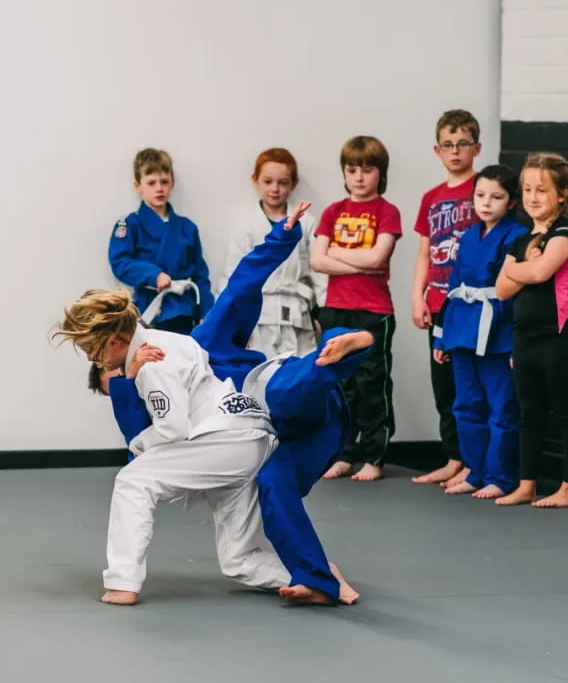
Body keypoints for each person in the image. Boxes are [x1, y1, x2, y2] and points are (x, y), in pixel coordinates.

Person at [100, 202, 370, 604]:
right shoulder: (145, 376)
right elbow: (139, 435)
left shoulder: (198, 345)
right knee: (271, 488)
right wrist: (125, 380)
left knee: (278, 387)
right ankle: (318, 577)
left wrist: (282, 237)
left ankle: (347, 345)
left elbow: (241, 284)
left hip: (299, 394)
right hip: (290, 438)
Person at [56, 290, 285, 605]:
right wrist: (130, 375)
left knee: (133, 480)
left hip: (224, 441)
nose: (90, 358)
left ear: (113, 341)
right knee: (240, 559)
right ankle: (314, 576)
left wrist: (139, 443)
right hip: (247, 437)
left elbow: (172, 428)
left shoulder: (154, 361)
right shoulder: (168, 341)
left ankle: (123, 582)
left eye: (88, 348)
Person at [494, 152, 568, 508]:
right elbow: (500, 288)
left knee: (567, 413)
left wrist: (519, 269)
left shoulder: (565, 234)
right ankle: (527, 482)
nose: (533, 197)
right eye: (528, 189)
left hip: (559, 338)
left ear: (562, 195)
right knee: (529, 412)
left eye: (542, 190)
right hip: (524, 337)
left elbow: (538, 274)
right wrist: (521, 267)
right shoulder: (519, 240)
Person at [432, 165, 527, 498]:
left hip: (497, 330)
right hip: (462, 329)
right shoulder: (469, 236)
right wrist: (442, 336)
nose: (486, 203)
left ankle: (500, 477)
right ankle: (475, 471)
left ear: (512, 201)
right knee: (466, 404)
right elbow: (453, 286)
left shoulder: (516, 236)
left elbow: (515, 292)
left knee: (501, 408)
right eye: (480, 196)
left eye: (496, 197)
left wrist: (516, 343)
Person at [314, 136, 401, 482]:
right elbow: (318, 261)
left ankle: (373, 456)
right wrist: (362, 265)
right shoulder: (333, 212)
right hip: (336, 308)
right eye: (352, 171)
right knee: (340, 386)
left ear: (380, 173)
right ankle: (343, 454)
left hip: (373, 311)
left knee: (372, 385)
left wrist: (340, 255)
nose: (360, 178)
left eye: (367, 171)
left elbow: (379, 257)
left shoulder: (386, 211)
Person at [410, 110, 480, 488]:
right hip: (438, 303)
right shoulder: (431, 198)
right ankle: (454, 457)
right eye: (448, 145)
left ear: (476, 147)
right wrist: (417, 296)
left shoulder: (482, 190)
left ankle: (474, 461)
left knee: (472, 387)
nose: (455, 152)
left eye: (463, 144)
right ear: (437, 150)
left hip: (470, 303)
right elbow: (424, 250)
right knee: (445, 388)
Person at [219, 148, 324, 358]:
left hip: (298, 316)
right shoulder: (246, 225)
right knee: (258, 376)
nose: (275, 189)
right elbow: (233, 274)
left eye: (282, 183)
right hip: (258, 316)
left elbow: (319, 273)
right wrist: (230, 320)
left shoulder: (307, 223)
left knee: (299, 376)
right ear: (255, 180)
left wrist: (324, 313)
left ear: (293, 184)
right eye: (268, 182)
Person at [108, 148, 214, 334]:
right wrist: (153, 275)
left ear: (172, 184)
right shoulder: (130, 225)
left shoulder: (187, 228)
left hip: (183, 310)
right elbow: (120, 262)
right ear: (137, 186)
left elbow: (200, 274)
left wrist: (208, 312)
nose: (159, 188)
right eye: (151, 183)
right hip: (148, 307)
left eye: (164, 182)